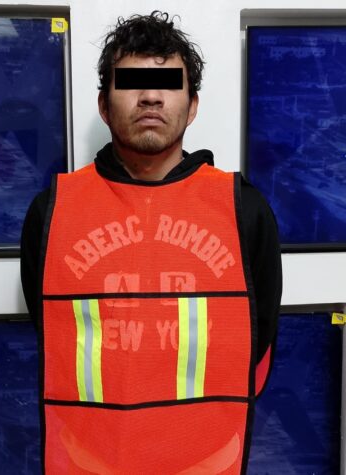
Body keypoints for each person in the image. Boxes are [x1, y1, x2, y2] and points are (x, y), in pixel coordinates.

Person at [21, 11, 281, 473]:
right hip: (89, 463)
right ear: (104, 106)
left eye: (167, 83)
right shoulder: (52, 210)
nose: (150, 96)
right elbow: (51, 333)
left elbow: (259, 341)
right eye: (131, 82)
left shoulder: (244, 209)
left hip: (206, 462)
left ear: (192, 105)